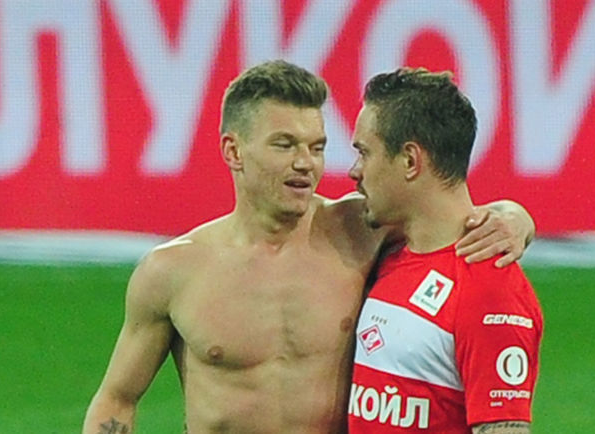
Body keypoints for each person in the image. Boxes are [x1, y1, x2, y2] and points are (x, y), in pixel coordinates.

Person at [83, 61, 535, 434]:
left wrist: (516, 218)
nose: (305, 163)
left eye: (316, 147)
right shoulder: (173, 271)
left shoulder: (358, 231)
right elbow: (116, 400)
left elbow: (442, 210)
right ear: (233, 151)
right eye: (284, 145)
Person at [346, 68, 543, 433]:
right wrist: (517, 214)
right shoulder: (388, 253)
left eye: (364, 153)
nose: (354, 171)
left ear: (410, 161)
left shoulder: (488, 288)